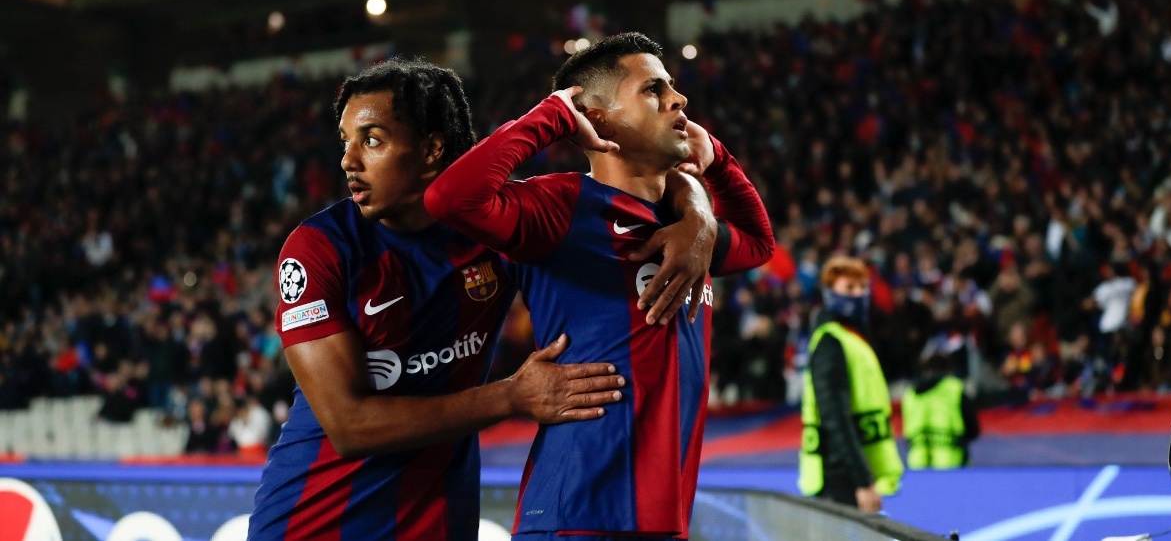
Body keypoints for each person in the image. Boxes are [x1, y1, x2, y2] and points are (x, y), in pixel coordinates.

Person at [249, 59, 633, 541]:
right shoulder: (320, 247)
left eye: (372, 140)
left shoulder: (497, 229)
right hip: (314, 525)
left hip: (439, 523)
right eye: (345, 141)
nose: (349, 160)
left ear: (432, 149)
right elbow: (349, 425)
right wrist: (512, 396)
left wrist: (695, 217)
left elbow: (631, 207)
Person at [426, 32, 775, 539]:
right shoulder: (560, 207)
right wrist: (552, 116)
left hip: (662, 517)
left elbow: (759, 244)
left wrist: (715, 165)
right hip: (578, 516)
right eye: (653, 89)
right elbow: (449, 199)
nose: (678, 99)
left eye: (671, 86)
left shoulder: (682, 227)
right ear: (599, 118)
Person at [799, 256, 904, 512]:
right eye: (849, 288)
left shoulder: (852, 338)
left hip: (851, 475)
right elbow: (834, 415)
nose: (858, 294)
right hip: (839, 477)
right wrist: (862, 481)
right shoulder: (830, 342)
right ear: (829, 293)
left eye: (862, 287)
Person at [901, 352, 980, 469]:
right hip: (952, 463)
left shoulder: (909, 394)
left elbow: (907, 429)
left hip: (917, 464)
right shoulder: (955, 389)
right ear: (948, 370)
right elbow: (973, 429)